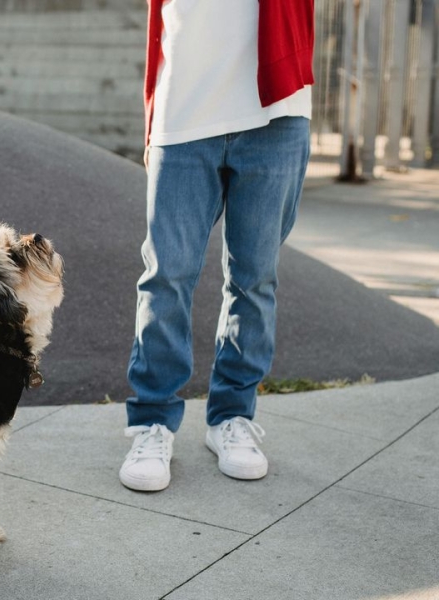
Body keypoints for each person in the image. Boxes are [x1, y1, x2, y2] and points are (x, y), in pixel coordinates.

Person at [120, 0, 315, 492]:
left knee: (254, 278)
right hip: (184, 113)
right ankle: (152, 423)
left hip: (276, 114)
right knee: (167, 275)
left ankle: (231, 416)